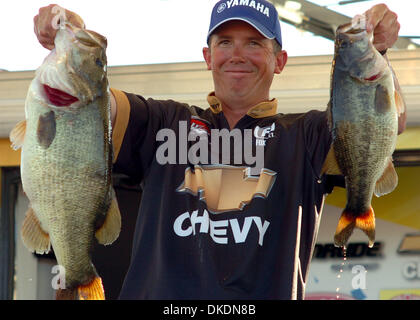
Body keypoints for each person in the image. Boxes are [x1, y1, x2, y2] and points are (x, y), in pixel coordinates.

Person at [34, 1, 404, 299]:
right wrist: (74, 38)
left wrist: (378, 51)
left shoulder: (305, 135)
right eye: (225, 42)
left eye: (255, 43)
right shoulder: (165, 121)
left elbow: (380, 121)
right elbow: (90, 105)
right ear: (208, 56)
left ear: (280, 61)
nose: (237, 55)